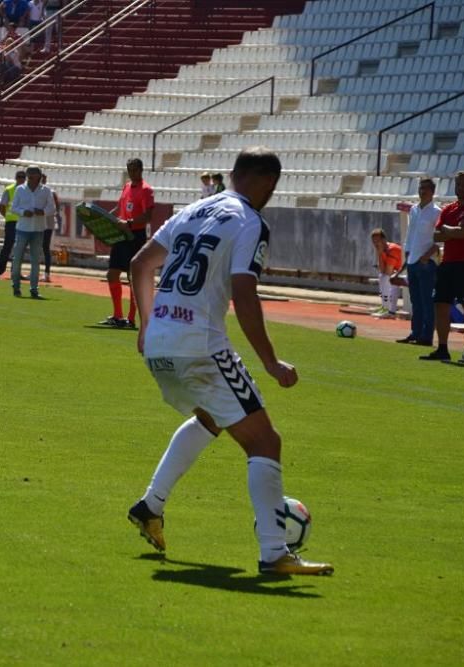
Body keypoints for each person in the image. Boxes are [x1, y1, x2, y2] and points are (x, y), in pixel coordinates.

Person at [126, 147, 334, 576]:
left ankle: (151, 505)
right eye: (272, 187)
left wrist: (147, 326)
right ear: (265, 182)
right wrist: (272, 362)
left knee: (213, 416)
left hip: (162, 341)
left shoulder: (192, 210)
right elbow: (244, 292)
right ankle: (274, 552)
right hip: (198, 343)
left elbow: (141, 263)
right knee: (264, 442)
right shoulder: (251, 222)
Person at [420, 171, 464, 364]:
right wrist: (453, 231)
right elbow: (437, 235)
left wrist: (450, 231)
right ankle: (442, 348)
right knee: (441, 304)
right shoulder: (449, 210)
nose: (460, 188)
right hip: (448, 263)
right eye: (458, 184)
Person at [100, 158, 154, 328]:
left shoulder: (146, 190)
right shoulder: (127, 186)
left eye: (135, 169)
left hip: (135, 235)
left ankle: (130, 319)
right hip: (121, 235)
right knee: (112, 273)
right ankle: (117, 315)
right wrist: (107, 217)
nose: (132, 172)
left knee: (132, 277)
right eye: (129, 169)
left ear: (141, 170)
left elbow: (148, 216)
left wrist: (129, 223)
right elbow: (120, 207)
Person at [394, 178, 441, 345]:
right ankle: (416, 332)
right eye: (421, 188)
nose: (422, 192)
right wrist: (407, 253)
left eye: (426, 189)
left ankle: (426, 336)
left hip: (426, 262)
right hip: (413, 259)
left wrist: (427, 256)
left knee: (427, 300)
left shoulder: (436, 212)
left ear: (432, 191)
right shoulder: (414, 209)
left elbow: (440, 238)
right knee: (416, 300)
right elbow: (410, 234)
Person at [10, 165, 55, 298]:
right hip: (22, 228)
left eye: (34, 177)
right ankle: (16, 286)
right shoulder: (20, 189)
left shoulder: (46, 190)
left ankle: (34, 289)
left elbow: (52, 208)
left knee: (35, 261)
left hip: (38, 229)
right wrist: (24, 212)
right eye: (30, 177)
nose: (32, 180)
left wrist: (43, 212)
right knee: (17, 259)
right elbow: (14, 208)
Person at [0, 170, 25, 277]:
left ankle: (15, 272)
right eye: (19, 177)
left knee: (19, 247)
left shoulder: (27, 191)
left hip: (22, 222)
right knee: (8, 246)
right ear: (16, 178)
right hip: (11, 222)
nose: (21, 179)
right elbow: (1, 206)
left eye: (23, 177)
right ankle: (0, 270)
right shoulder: (9, 189)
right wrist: (7, 217)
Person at [370, 228, 403, 319]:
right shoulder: (382, 250)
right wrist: (380, 254)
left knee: (387, 278)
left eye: (378, 241)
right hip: (395, 273)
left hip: (405, 273)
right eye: (374, 241)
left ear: (384, 240)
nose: (376, 244)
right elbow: (382, 270)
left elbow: (388, 272)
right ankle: (385, 307)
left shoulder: (393, 249)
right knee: (382, 276)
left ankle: (390, 311)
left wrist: (380, 253)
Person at [41, 172, 60, 282]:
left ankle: (46, 273)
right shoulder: (37, 192)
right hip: (40, 223)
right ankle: (40, 272)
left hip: (47, 223)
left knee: (45, 247)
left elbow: (56, 207)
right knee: (41, 247)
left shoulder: (51, 192)